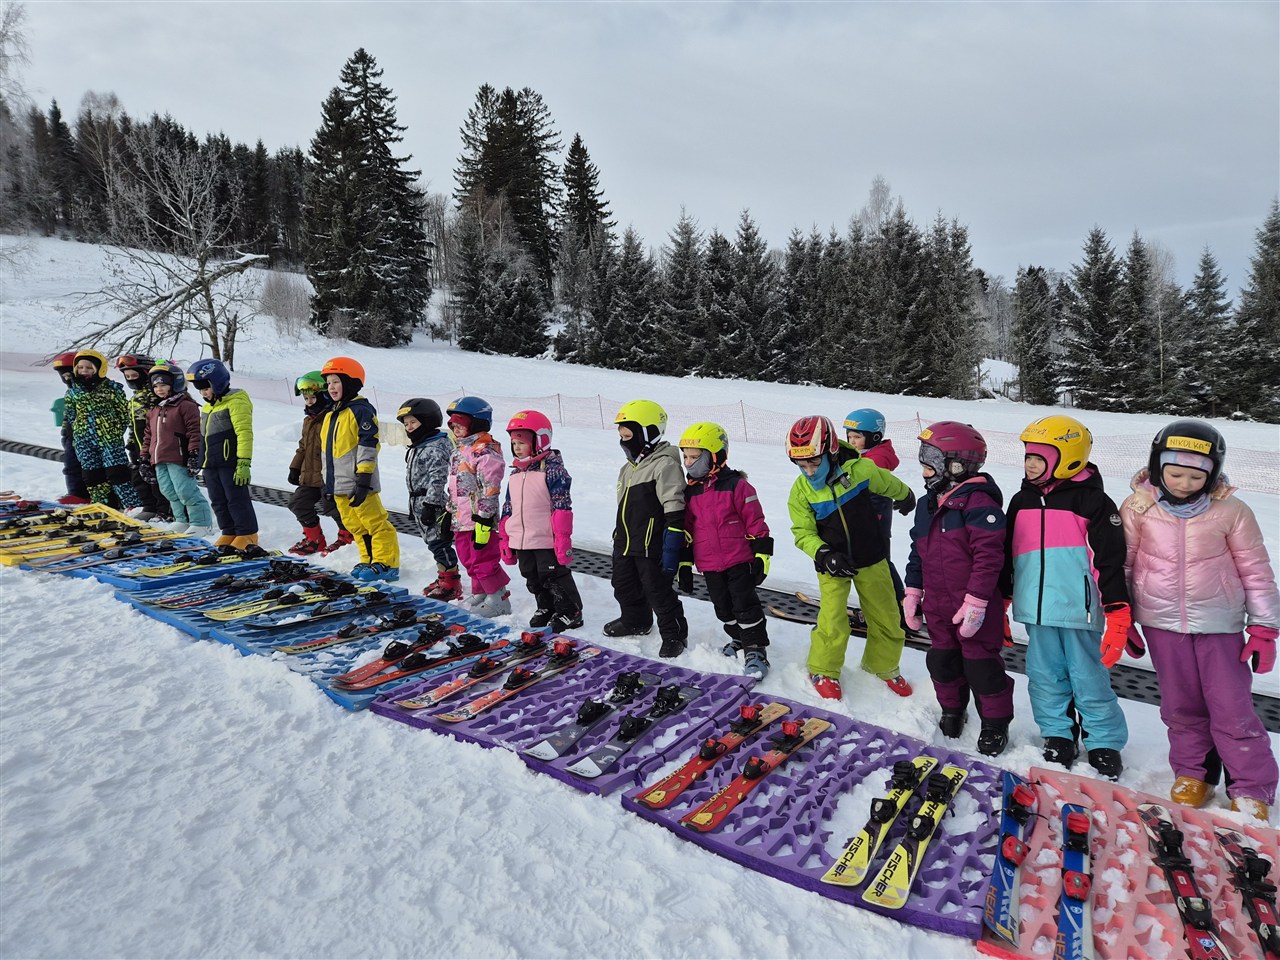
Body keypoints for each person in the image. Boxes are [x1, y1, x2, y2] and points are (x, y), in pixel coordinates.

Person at [1121, 420, 1278, 821]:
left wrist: (1263, 627)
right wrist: (1123, 618)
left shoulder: (1232, 511)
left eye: (1196, 476)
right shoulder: (1138, 507)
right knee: (1180, 705)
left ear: (1213, 474)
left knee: (1231, 706)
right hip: (1160, 623)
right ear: (1157, 467)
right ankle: (1194, 772)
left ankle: (1251, 784)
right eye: (1175, 474)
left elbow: (1256, 570)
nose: (1185, 484)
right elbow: (1122, 565)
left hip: (1220, 624)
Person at [1000, 415, 1129, 779]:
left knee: (1088, 676)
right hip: (1036, 610)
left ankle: (1103, 740)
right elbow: (1008, 555)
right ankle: (1058, 734)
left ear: (1068, 459)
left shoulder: (1094, 503)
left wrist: (1118, 612)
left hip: (1078, 609)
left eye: (1039, 458)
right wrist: (1002, 602)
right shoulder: (1021, 500)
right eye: (1028, 456)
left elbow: (1109, 560)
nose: (1030, 464)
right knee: (1043, 676)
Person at [904, 421, 1014, 756]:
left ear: (955, 466)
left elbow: (989, 556)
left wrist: (977, 601)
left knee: (981, 665)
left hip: (974, 604)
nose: (924, 471)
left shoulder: (979, 503)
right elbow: (918, 550)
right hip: (938, 602)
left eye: (930, 463)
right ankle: (952, 709)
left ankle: (995, 724)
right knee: (942, 661)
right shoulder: (928, 503)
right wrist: (913, 590)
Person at [786, 415, 915, 700]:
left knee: (886, 616)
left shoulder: (860, 470)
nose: (809, 471)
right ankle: (823, 669)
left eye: (814, 463)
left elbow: (886, 482)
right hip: (832, 564)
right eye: (801, 465)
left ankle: (882, 666)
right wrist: (824, 554)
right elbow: (802, 533)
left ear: (831, 451)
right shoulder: (801, 491)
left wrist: (906, 495)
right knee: (832, 619)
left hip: (871, 556)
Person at [677, 422, 773, 680]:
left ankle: (755, 649)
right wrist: (684, 563)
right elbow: (687, 530)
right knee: (723, 607)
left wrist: (762, 554)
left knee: (745, 605)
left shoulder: (737, 486)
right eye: (686, 457)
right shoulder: (690, 492)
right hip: (708, 563)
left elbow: (755, 520)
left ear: (715, 456)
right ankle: (739, 638)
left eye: (695, 457)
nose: (688, 463)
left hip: (739, 559)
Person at [608, 400, 688, 657]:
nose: (623, 442)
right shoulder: (627, 469)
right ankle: (636, 621)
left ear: (648, 433)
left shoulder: (665, 465)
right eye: (621, 436)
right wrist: (618, 535)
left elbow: (674, 505)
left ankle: (674, 634)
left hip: (650, 543)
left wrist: (672, 543)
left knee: (658, 590)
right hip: (626, 542)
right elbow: (623, 506)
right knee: (623, 585)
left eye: (628, 436)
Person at [498, 409, 584, 632]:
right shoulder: (516, 473)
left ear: (539, 441)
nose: (516, 448)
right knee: (531, 575)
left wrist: (562, 538)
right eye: (514, 443)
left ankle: (570, 611)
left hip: (545, 537)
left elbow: (561, 505)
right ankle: (546, 606)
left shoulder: (553, 470)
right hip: (522, 538)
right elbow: (508, 506)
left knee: (553, 575)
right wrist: (505, 536)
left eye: (521, 443)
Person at [319, 356, 399, 581]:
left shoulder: (360, 410)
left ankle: (387, 563)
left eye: (336, 382)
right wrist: (327, 483)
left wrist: (363, 478)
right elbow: (327, 453)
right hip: (339, 484)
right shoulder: (331, 413)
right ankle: (369, 560)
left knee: (375, 523)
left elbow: (368, 444)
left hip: (359, 482)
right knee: (355, 525)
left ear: (350, 382)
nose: (331, 387)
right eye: (328, 383)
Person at [444, 396, 510, 617]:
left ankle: (498, 598)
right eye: (452, 425)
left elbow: (490, 488)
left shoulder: (485, 452)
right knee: (468, 558)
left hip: (479, 518)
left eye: (460, 424)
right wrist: (449, 511)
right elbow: (455, 486)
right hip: (461, 518)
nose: (455, 429)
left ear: (476, 423)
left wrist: (484, 518)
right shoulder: (460, 451)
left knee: (483, 559)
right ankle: (481, 591)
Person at [186, 358, 259, 550]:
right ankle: (229, 531)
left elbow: (244, 433)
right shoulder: (208, 406)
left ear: (217, 383)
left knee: (236, 499)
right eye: (200, 390)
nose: (203, 393)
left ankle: (247, 533)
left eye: (206, 388)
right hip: (211, 463)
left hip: (230, 462)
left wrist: (244, 462)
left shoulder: (236, 402)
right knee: (218, 500)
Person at [397, 397, 461, 600]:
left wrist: (431, 504)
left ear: (427, 422)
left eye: (413, 423)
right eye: (406, 424)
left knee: (439, 543)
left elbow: (437, 478)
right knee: (432, 542)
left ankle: (451, 582)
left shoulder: (435, 447)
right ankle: (443, 576)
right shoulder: (420, 445)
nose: (409, 428)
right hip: (419, 502)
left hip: (431, 503)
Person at [141, 362, 214, 537]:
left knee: (185, 491)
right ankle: (181, 519)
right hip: (159, 458)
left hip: (179, 457)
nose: (159, 389)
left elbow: (194, 431)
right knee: (168, 491)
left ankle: (202, 523)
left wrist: (194, 453)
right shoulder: (155, 409)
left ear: (175, 384)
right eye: (155, 386)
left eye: (163, 385)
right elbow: (148, 435)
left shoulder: (186, 406)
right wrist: (144, 458)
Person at [286, 371, 352, 556]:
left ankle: (348, 538)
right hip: (310, 475)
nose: (309, 402)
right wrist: (294, 467)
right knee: (298, 503)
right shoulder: (308, 420)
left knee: (333, 507)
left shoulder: (333, 419)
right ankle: (314, 539)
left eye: (313, 398)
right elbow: (303, 447)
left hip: (329, 476)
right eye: (306, 398)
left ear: (324, 397)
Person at [64, 350, 141, 510]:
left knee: (117, 473)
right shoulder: (73, 392)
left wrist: (114, 431)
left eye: (89, 367)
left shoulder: (112, 389)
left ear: (99, 369)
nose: (84, 371)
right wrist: (78, 433)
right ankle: (103, 504)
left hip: (109, 440)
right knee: (92, 476)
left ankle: (132, 506)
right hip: (84, 440)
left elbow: (123, 413)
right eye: (80, 367)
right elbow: (71, 415)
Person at [115, 354, 172, 522]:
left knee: (157, 478)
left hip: (155, 445)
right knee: (139, 476)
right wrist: (131, 442)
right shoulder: (135, 397)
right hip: (138, 444)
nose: (131, 379)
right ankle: (149, 506)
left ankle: (164, 509)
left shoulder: (154, 395)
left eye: (135, 375)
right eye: (128, 376)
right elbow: (133, 423)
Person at [51, 351, 90, 504]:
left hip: (87, 436)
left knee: (86, 465)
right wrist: (65, 431)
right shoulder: (71, 392)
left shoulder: (89, 391)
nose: (66, 379)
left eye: (69, 374)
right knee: (71, 464)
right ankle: (76, 492)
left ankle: (83, 493)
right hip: (71, 435)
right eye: (63, 376)